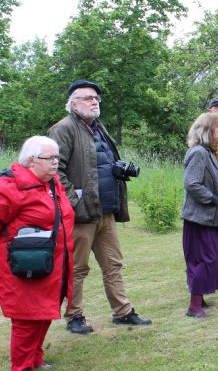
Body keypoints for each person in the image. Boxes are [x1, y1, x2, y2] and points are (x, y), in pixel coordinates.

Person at [48, 80, 151, 334]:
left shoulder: (98, 128)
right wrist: (75, 202)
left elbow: (101, 164)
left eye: (96, 98)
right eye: (87, 98)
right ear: (73, 104)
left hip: (105, 210)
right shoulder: (63, 129)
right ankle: (74, 316)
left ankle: (123, 312)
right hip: (82, 214)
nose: (94, 101)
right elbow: (55, 171)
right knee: (78, 268)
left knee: (113, 264)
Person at [0, 136, 75, 371]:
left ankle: (36, 357)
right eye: (50, 158)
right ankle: (21, 367)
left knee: (45, 311)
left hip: (52, 261)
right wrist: (9, 248)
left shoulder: (52, 183)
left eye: (57, 158)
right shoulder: (12, 187)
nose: (56, 163)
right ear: (31, 161)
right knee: (26, 315)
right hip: (24, 263)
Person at [181, 112, 218, 318]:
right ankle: (194, 307)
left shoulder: (210, 152)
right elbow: (192, 183)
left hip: (212, 220)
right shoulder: (199, 153)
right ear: (209, 130)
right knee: (203, 260)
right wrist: (213, 198)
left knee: (211, 259)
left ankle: (199, 298)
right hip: (201, 219)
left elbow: (208, 177)